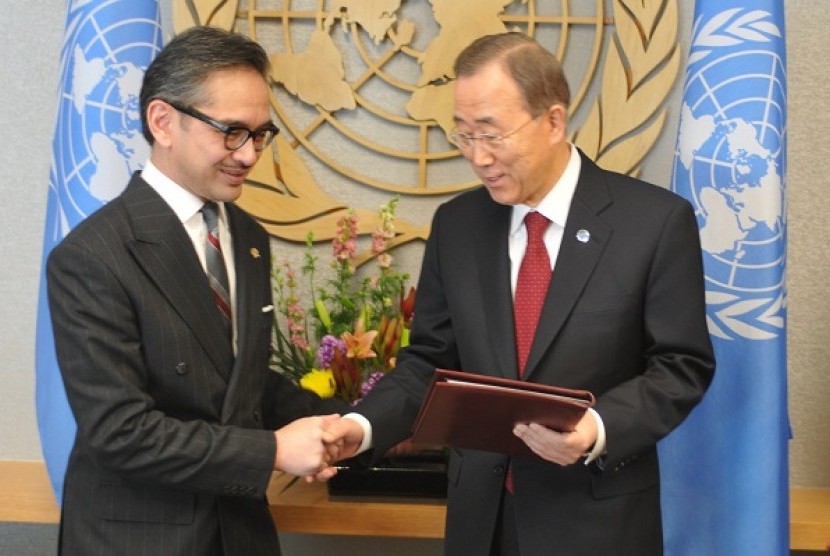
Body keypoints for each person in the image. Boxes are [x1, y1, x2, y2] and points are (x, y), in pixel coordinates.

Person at [323, 32, 715, 555]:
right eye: (463, 135)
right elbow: (428, 364)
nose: (478, 157)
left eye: (492, 133)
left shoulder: (654, 223)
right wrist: (361, 427)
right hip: (482, 521)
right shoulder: (458, 225)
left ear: (553, 121)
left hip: (597, 521)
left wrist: (595, 428)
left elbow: (680, 365)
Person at [46, 26, 346, 555]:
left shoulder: (248, 237)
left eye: (259, 134)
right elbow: (121, 431)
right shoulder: (91, 256)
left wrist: (339, 424)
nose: (250, 155)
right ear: (163, 122)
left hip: (239, 533)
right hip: (137, 540)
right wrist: (274, 450)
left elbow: (237, 382)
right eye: (231, 131)